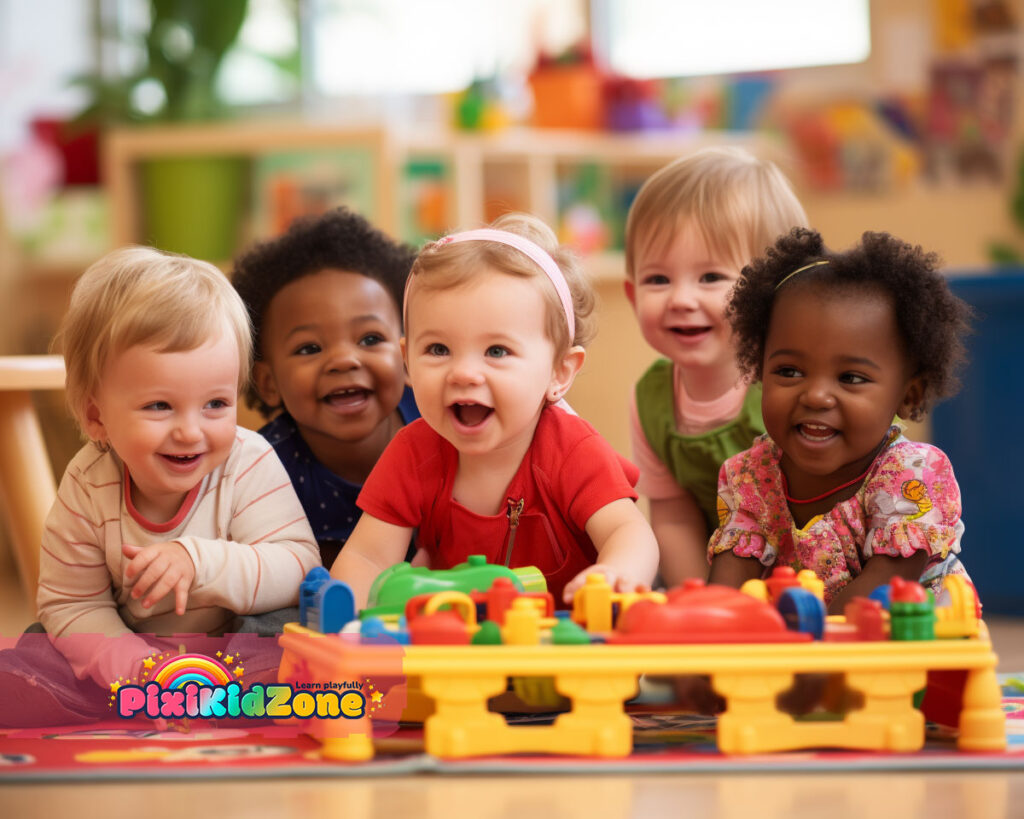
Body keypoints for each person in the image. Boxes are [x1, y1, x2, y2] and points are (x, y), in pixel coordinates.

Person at [0, 247, 321, 727]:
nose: (191, 431)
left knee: (292, 625)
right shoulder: (89, 485)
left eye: (215, 403)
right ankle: (139, 700)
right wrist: (142, 671)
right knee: (39, 648)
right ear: (96, 416)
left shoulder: (246, 460)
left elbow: (298, 564)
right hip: (133, 657)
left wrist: (200, 563)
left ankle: (242, 696)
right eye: (159, 407)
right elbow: (71, 604)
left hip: (236, 647)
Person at [330, 213, 659, 606]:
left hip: (568, 645)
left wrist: (616, 573)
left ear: (559, 371)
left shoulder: (571, 450)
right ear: (407, 361)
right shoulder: (412, 454)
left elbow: (630, 532)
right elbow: (367, 557)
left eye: (497, 351)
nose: (464, 373)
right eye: (438, 349)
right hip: (457, 642)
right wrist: (347, 616)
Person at [708, 228, 973, 614]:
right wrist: (710, 634)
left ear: (908, 395)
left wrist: (810, 650)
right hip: (804, 647)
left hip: (912, 645)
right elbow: (726, 592)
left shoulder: (913, 473)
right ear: (760, 370)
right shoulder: (750, 475)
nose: (815, 395)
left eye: (850, 378)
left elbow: (887, 583)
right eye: (789, 371)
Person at [624, 147, 808, 587]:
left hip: (820, 565)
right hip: (721, 572)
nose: (682, 299)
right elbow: (673, 517)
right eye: (658, 279)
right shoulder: (651, 400)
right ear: (632, 296)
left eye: (710, 277)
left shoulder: (795, 384)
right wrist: (702, 604)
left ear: (773, 292)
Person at [232, 208, 420, 569]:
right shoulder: (262, 467)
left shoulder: (441, 425)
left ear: (407, 355)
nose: (344, 360)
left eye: (369, 338)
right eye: (310, 348)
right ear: (269, 383)